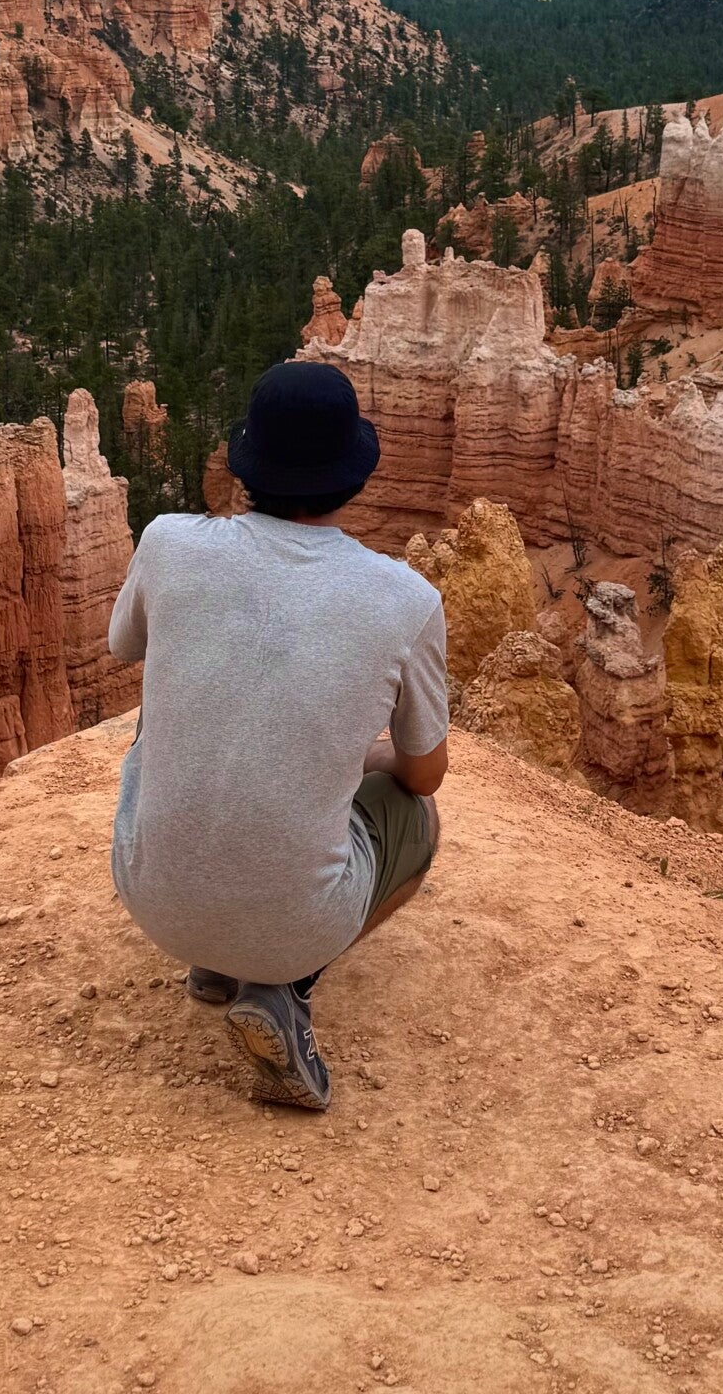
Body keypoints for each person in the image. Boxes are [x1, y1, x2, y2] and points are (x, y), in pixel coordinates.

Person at [107, 359, 449, 1111]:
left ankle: (212, 961)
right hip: (291, 925)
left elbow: (124, 646)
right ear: (355, 475)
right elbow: (423, 776)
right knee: (415, 822)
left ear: (245, 463)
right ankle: (284, 983)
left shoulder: (167, 540)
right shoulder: (407, 601)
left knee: (159, 724)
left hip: (150, 896)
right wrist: (367, 755)